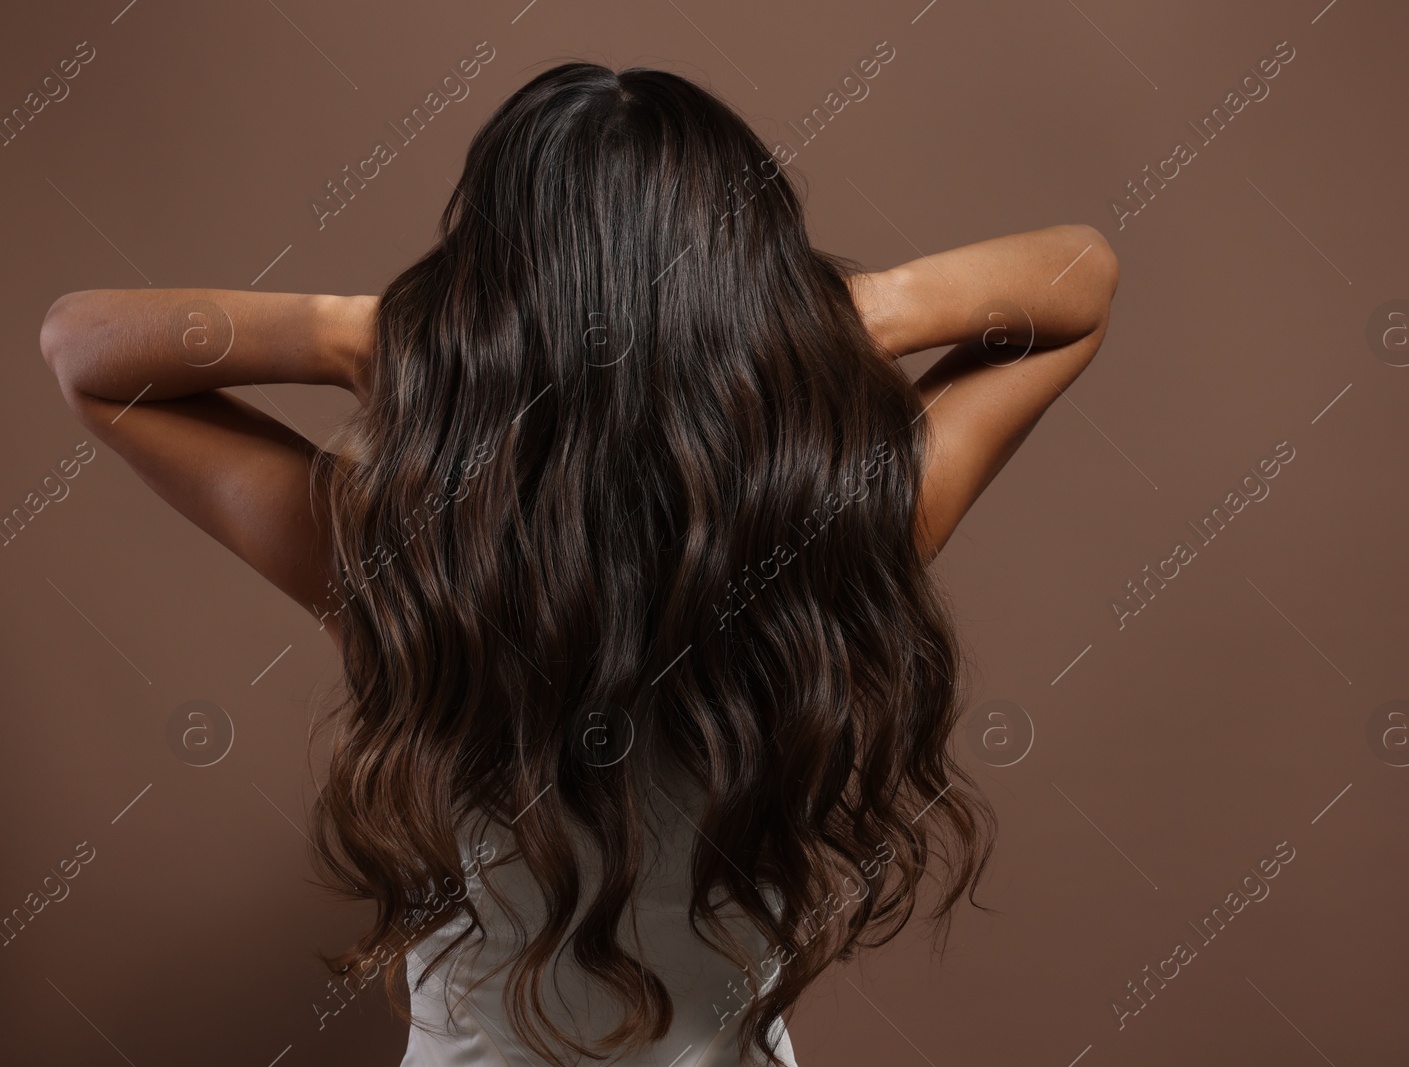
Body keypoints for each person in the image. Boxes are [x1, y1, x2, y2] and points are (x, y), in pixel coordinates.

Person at [40, 61, 1117, 1067]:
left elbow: (83, 347)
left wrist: (372, 337)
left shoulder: (404, 563)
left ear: (488, 290)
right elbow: (1079, 277)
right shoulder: (841, 535)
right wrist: (825, 317)